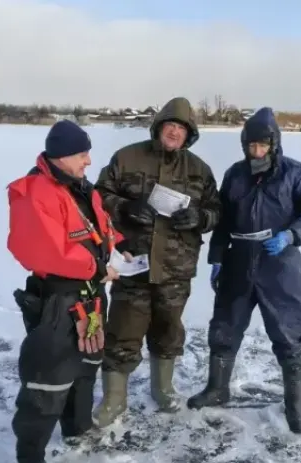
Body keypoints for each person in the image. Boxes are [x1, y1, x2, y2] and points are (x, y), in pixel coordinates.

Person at [186, 107, 301, 435]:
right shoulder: (236, 175)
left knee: (288, 333)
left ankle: (294, 403)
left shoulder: (297, 173)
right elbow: (222, 220)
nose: (257, 151)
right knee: (224, 327)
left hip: (280, 265)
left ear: (275, 143)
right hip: (239, 262)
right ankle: (217, 388)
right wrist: (218, 257)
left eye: (263, 145)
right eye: (251, 146)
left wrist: (293, 235)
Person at [6, 119, 133, 463]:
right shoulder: (35, 192)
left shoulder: (80, 188)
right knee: (48, 379)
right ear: (61, 155)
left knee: (84, 370)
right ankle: (30, 456)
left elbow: (97, 225)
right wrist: (96, 267)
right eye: (82, 153)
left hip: (91, 299)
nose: (89, 160)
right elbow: (40, 250)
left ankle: (77, 429)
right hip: (59, 302)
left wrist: (118, 243)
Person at [92, 96, 223, 426]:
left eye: (182, 128)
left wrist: (199, 217)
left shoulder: (200, 170)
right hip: (133, 263)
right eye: (171, 125)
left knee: (168, 332)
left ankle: (162, 388)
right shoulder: (127, 158)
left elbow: (216, 211)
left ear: (189, 134)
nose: (175, 132)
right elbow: (98, 196)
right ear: (159, 127)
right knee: (123, 332)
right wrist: (125, 207)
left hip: (176, 269)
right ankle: (114, 401)